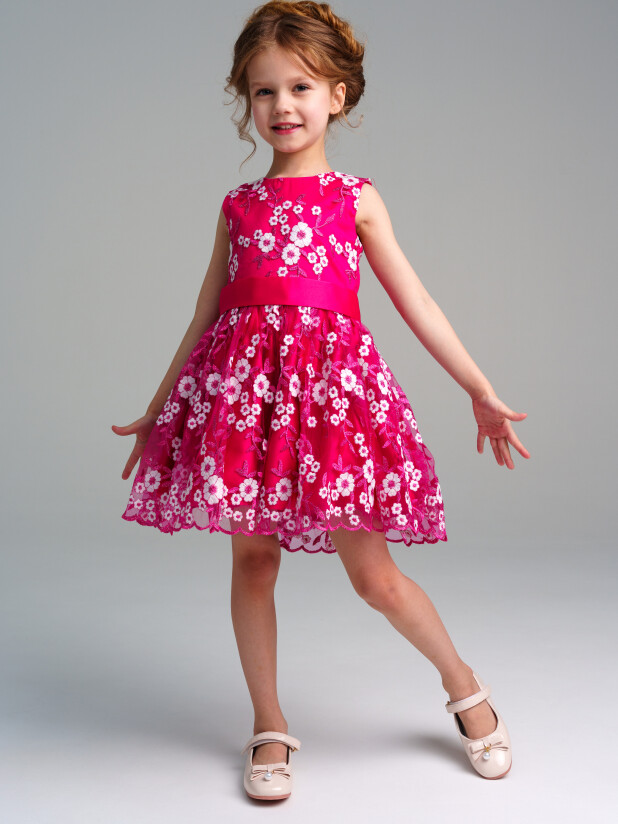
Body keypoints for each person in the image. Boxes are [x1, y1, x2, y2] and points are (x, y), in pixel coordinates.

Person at [112, 0, 530, 802]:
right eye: (264, 91)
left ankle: (463, 685)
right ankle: (268, 723)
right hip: (247, 404)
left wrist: (479, 387)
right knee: (253, 560)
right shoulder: (239, 206)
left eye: (301, 86)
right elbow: (205, 313)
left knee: (374, 577)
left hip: (331, 406)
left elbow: (416, 301)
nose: (283, 105)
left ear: (337, 95)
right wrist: (162, 408)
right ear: (247, 100)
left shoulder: (354, 197)